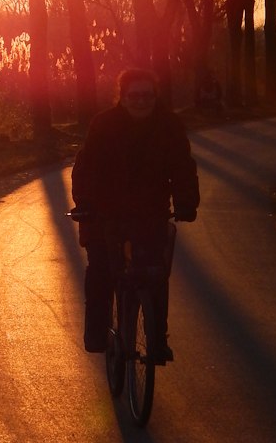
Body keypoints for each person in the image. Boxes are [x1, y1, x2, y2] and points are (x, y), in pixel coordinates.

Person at [71, 67, 199, 360]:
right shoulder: (104, 125)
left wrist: (186, 203)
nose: (141, 101)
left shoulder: (169, 125)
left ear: (155, 97)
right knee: (101, 269)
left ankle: (157, 339)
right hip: (106, 213)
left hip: (151, 212)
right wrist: (86, 203)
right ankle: (97, 333)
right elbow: (86, 167)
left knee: (155, 273)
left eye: (147, 95)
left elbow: (183, 167)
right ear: (123, 98)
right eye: (134, 96)